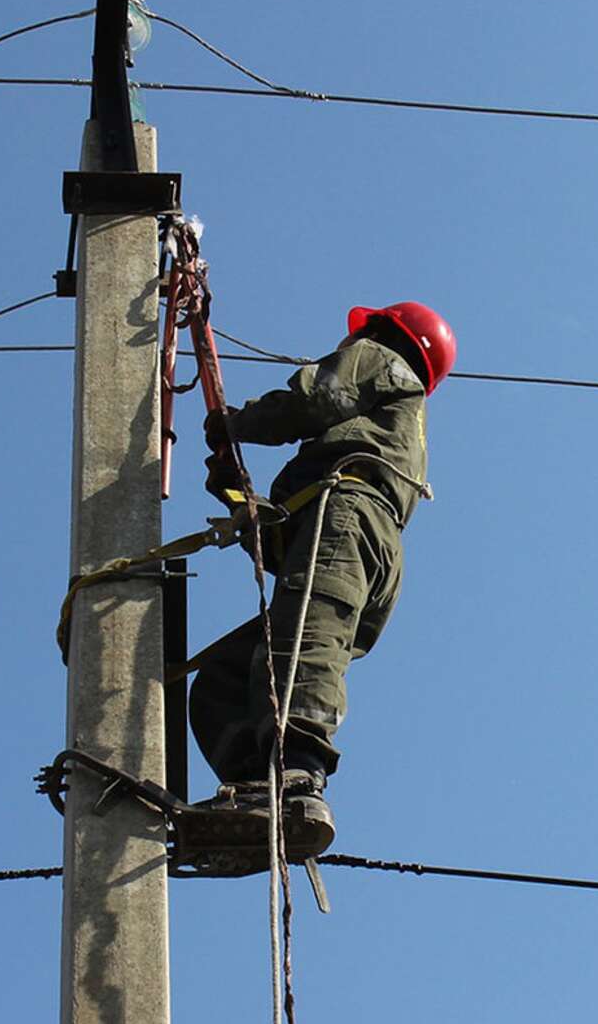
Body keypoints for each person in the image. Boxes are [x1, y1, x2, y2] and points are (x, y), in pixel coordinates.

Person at [187, 300, 455, 851]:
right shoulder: (382, 435)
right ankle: (251, 790)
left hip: (351, 517)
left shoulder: (380, 358)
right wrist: (236, 492)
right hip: (361, 541)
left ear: (386, 332)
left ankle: (297, 776)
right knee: (225, 675)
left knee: (302, 642)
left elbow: (316, 398)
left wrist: (237, 422)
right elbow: (282, 550)